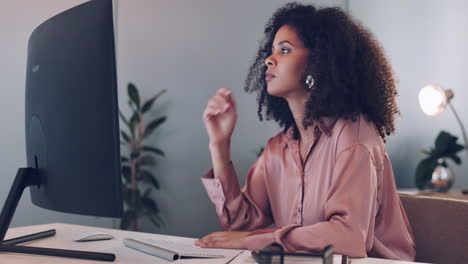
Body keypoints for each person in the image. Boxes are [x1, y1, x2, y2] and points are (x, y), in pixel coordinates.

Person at [195, 2, 415, 261]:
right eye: (272, 50)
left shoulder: (354, 137)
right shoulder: (279, 148)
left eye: (285, 50)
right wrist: (219, 145)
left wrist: (259, 239)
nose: (269, 59)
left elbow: (348, 238)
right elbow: (240, 227)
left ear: (318, 63)